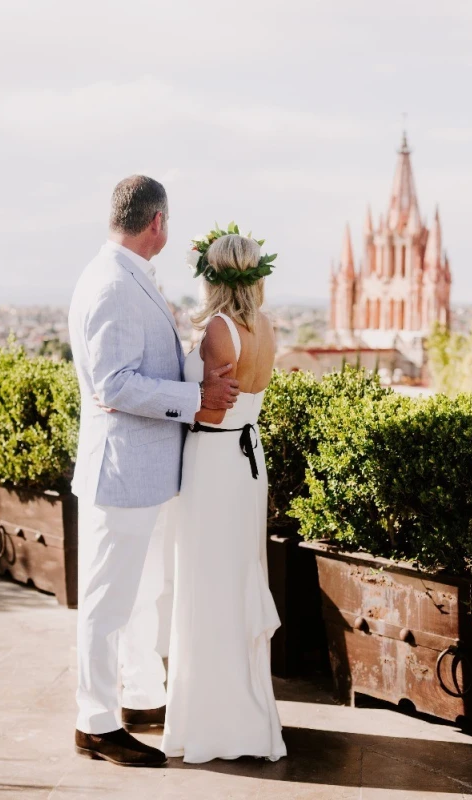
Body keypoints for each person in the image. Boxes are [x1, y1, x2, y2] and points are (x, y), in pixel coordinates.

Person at [68, 176, 239, 768]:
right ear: (157, 223)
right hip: (121, 470)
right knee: (108, 599)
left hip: (143, 470)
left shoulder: (125, 273)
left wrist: (197, 376)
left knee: (143, 594)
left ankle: (140, 695)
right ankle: (94, 722)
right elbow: (115, 385)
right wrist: (195, 399)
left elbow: (147, 366)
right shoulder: (114, 284)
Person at [162, 233, 287, 763]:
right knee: (236, 577)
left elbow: (210, 411)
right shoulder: (266, 327)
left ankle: (212, 724)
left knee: (207, 582)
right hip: (247, 461)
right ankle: (250, 717)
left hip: (214, 461)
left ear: (211, 276)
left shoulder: (219, 329)